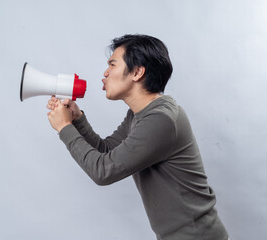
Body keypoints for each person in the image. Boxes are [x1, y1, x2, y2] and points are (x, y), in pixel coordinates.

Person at [46, 34, 229, 240]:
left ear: (137, 72)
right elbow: (106, 152)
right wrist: (77, 119)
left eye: (112, 64)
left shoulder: (161, 119)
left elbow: (103, 171)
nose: (105, 73)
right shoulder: (140, 114)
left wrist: (64, 127)